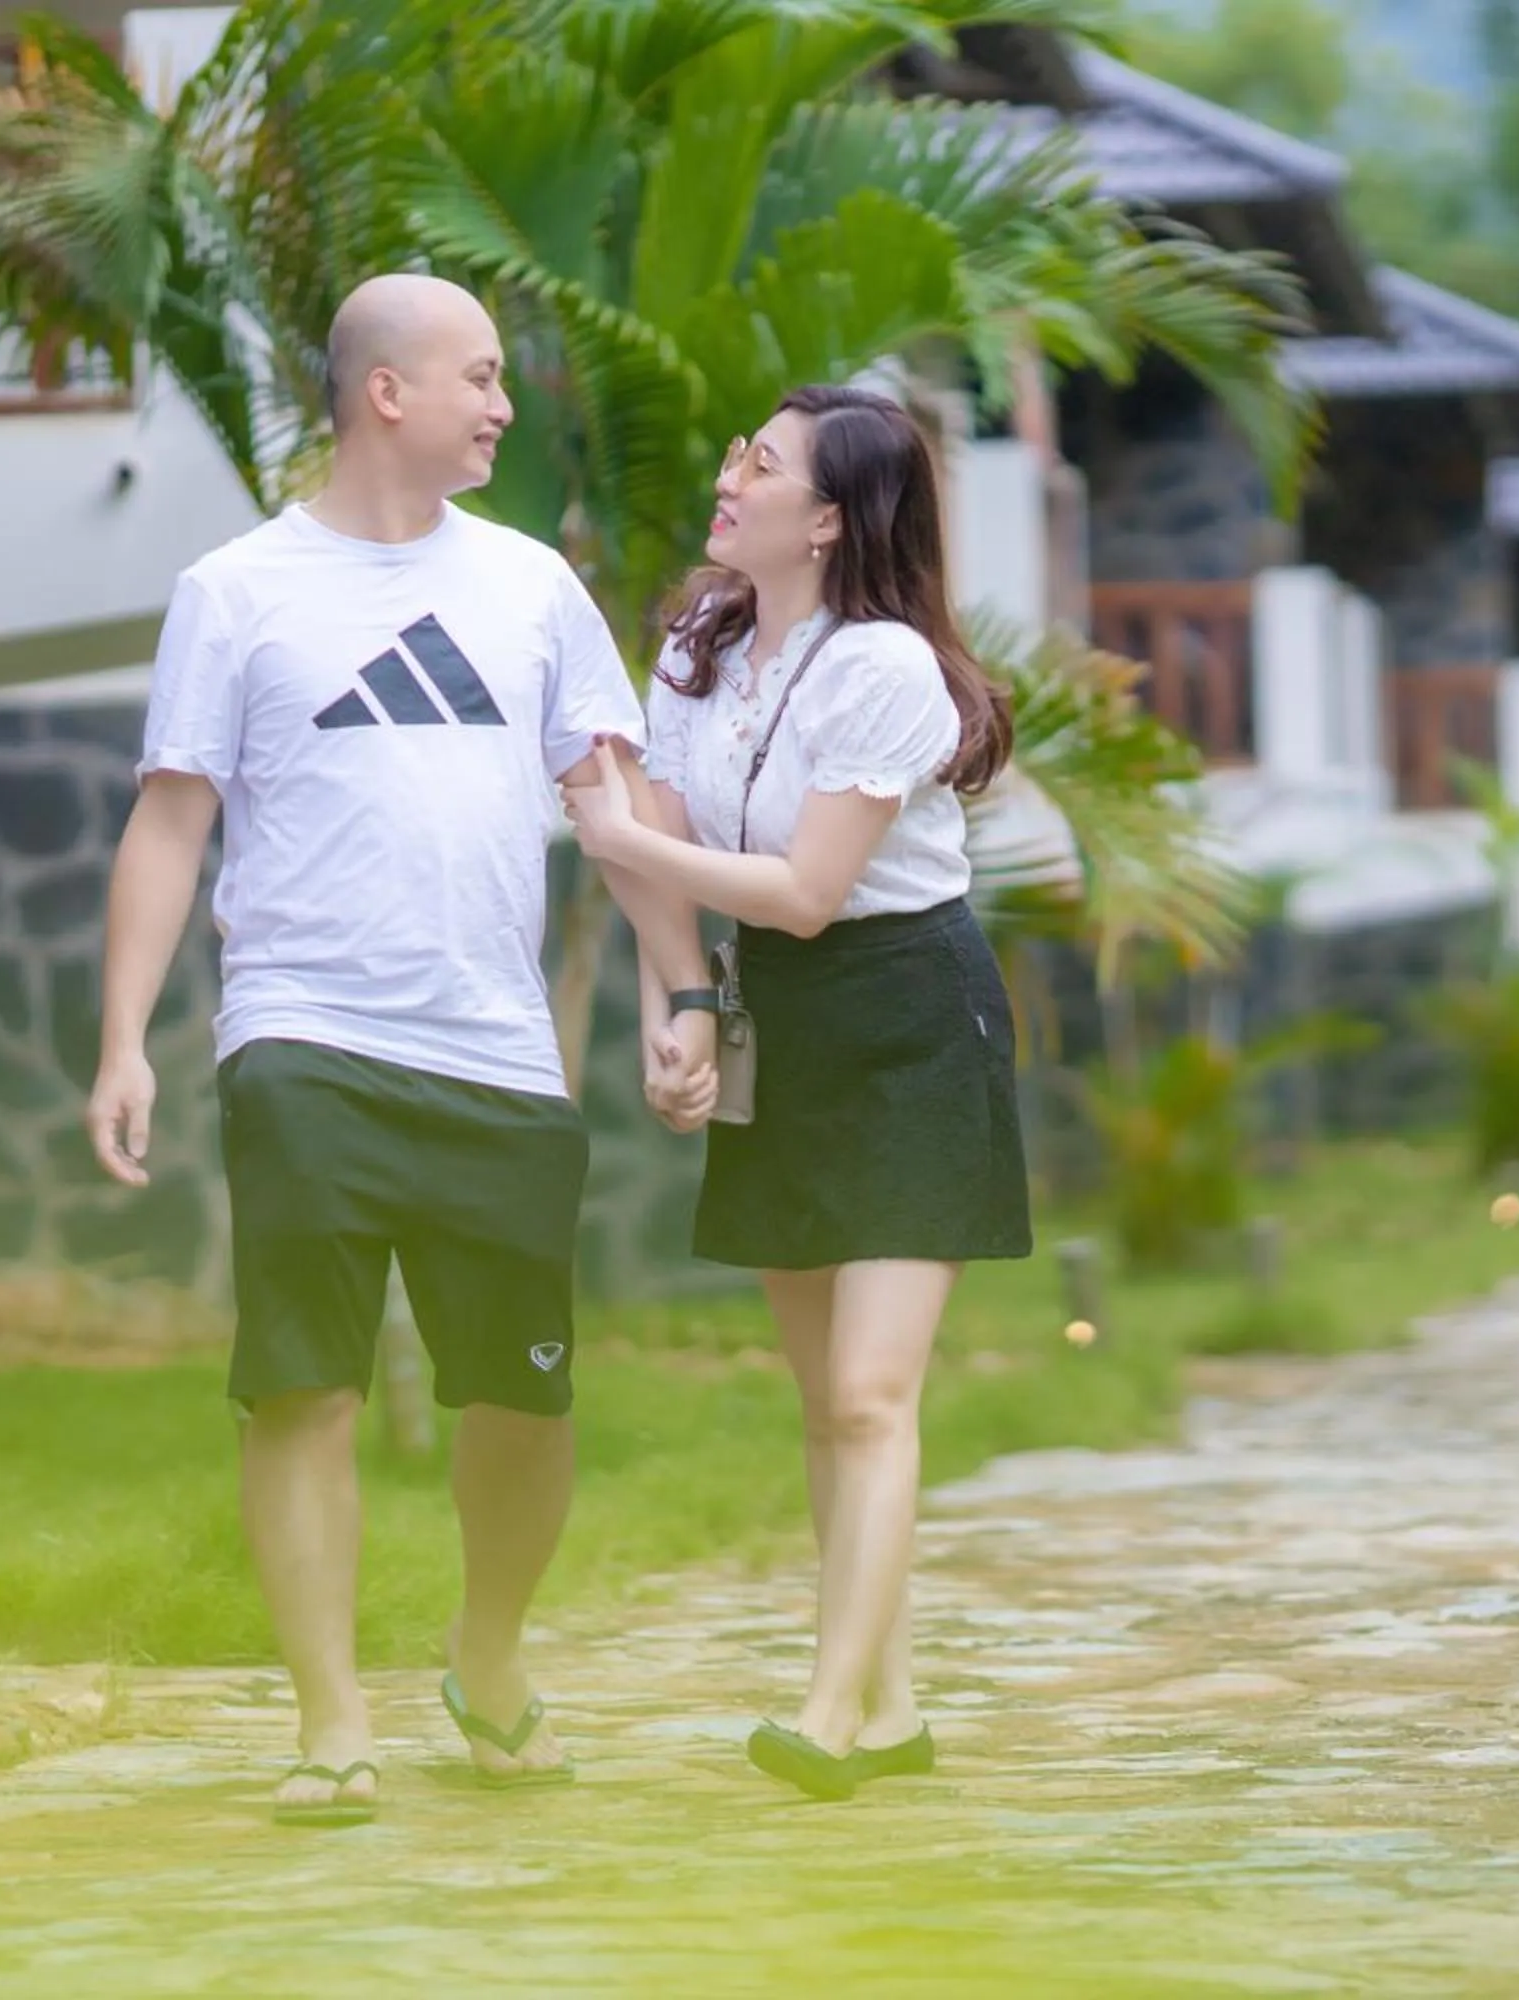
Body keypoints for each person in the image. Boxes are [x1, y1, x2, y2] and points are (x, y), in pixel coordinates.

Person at [86, 274, 717, 1828]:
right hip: (301, 1035)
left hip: (498, 1054)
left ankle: (483, 1651)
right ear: (388, 392)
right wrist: (125, 1044)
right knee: (301, 1385)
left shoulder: (531, 589)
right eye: (481, 375)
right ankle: (329, 1720)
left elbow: (613, 809)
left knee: (524, 1402)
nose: (505, 406)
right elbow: (172, 824)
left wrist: (683, 992)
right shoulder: (236, 592)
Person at [560, 385, 1035, 1801]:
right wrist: (684, 1001)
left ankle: (827, 1714)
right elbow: (662, 841)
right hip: (783, 1014)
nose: (727, 476)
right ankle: (888, 1711)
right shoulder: (704, 649)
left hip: (903, 1017)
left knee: (873, 1392)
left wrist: (618, 837)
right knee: (825, 1404)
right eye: (734, 454)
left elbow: (812, 892)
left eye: (759, 465)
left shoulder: (884, 666)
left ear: (829, 519)